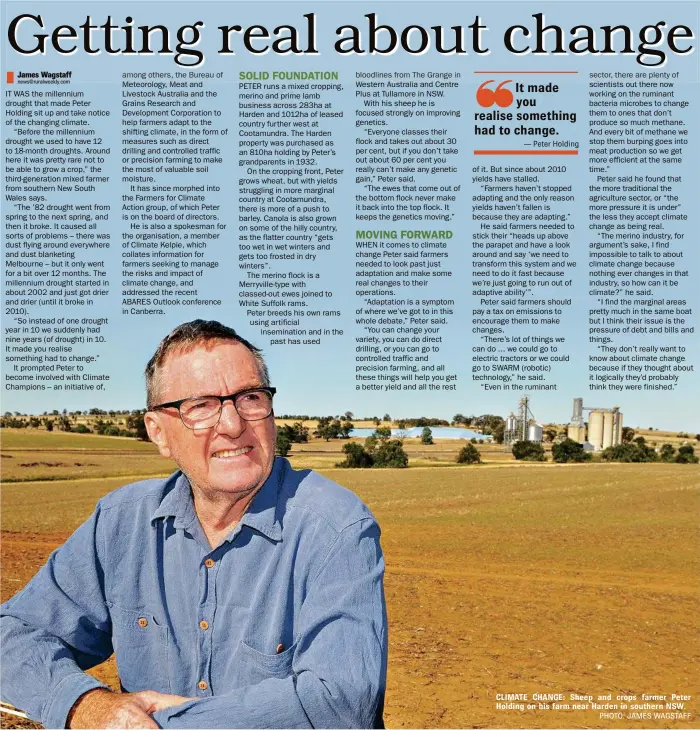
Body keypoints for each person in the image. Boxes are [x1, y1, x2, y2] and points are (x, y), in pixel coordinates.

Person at [1, 320, 388, 729]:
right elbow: (14, 634)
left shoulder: (335, 528)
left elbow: (342, 701)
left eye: (250, 397)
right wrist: (84, 706)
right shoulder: (120, 524)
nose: (233, 424)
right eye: (201, 406)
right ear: (158, 432)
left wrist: (166, 724)